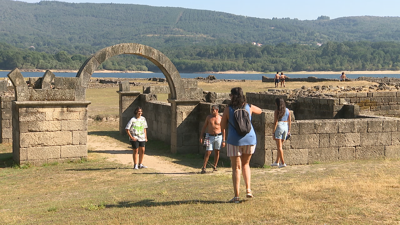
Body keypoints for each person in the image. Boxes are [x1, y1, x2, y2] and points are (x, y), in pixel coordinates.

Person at [221, 87, 262, 203]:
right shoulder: (248, 107)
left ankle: (236, 196)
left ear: (232, 96)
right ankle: (248, 189)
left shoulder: (228, 109)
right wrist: (249, 106)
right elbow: (260, 110)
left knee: (236, 168)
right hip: (250, 139)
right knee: (246, 164)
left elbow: (222, 126)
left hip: (234, 141)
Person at [199, 105, 226, 174]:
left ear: (217, 110)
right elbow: (204, 127)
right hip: (209, 136)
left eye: (213, 109)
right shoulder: (209, 117)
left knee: (217, 151)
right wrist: (201, 136)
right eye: (211, 109)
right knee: (208, 151)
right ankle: (204, 167)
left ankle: (215, 166)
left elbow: (223, 129)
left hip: (218, 136)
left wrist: (224, 140)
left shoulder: (220, 118)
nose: (211, 111)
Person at [271, 98, 291, 168]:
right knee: (280, 146)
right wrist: (289, 130)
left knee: (279, 147)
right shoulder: (288, 110)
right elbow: (289, 121)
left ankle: (283, 162)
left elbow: (275, 122)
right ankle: (277, 162)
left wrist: (273, 132)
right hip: (285, 127)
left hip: (279, 127)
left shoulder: (277, 111)